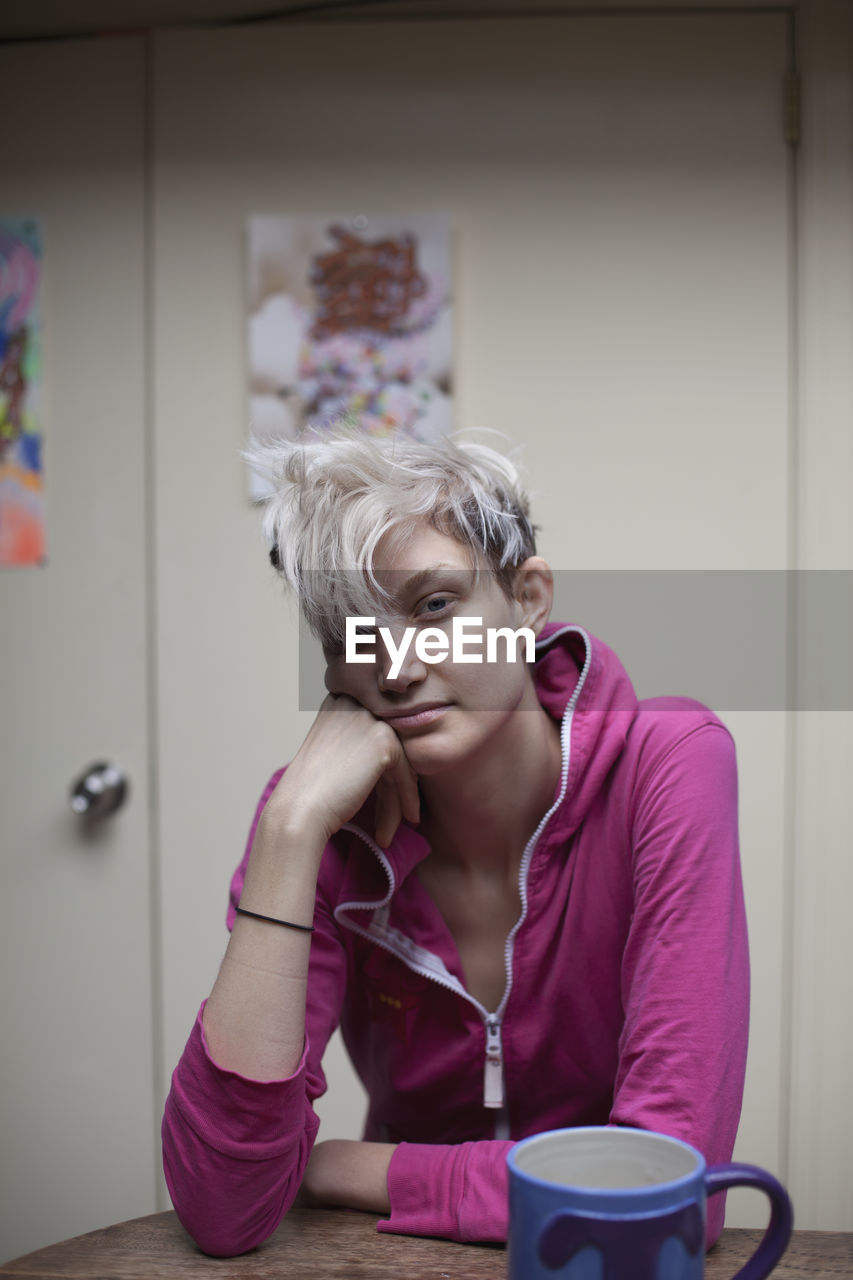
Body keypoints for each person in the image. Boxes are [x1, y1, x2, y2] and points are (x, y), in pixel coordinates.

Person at [161, 430, 749, 1258]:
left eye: (433, 604)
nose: (393, 668)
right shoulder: (324, 823)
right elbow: (223, 1207)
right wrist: (289, 829)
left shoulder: (668, 762)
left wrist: (353, 1168)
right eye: (351, 634)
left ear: (528, 600)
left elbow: (664, 1189)